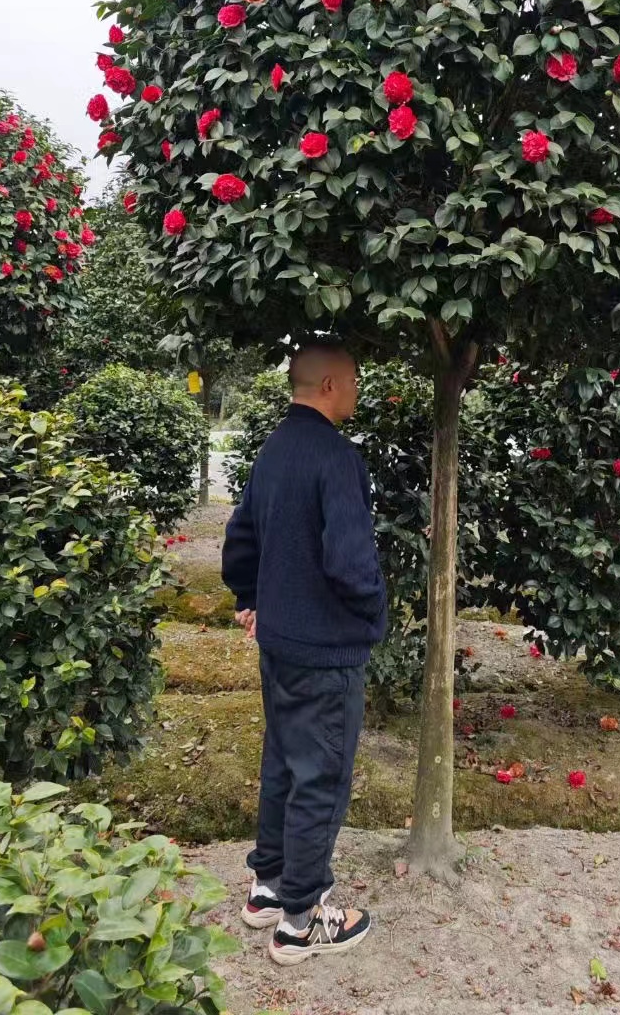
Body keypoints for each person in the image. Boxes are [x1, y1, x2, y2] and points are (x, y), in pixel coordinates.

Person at [221, 343, 387, 965]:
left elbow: (241, 537)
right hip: (325, 648)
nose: (357, 392)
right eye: (354, 383)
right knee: (320, 776)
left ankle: (267, 887)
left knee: (284, 764)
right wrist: (373, 614)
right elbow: (351, 563)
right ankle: (302, 919)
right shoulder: (336, 457)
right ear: (330, 385)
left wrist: (247, 595)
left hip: (280, 641)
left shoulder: (273, 451)